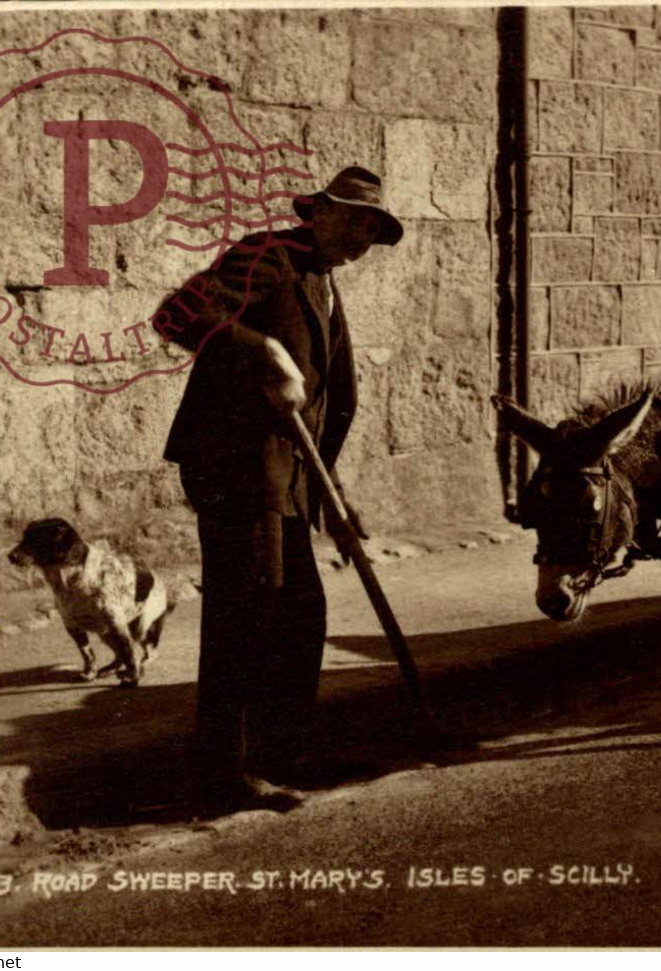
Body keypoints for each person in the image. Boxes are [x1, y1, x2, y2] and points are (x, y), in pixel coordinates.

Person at [160, 166, 403, 814]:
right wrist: (263, 348)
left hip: (285, 475)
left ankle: (282, 752)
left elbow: (328, 405)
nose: (361, 236)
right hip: (234, 465)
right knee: (246, 613)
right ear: (317, 212)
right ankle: (222, 770)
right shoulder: (268, 255)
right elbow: (178, 313)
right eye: (353, 219)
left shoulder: (321, 281)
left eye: (372, 228)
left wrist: (335, 499)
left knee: (301, 614)